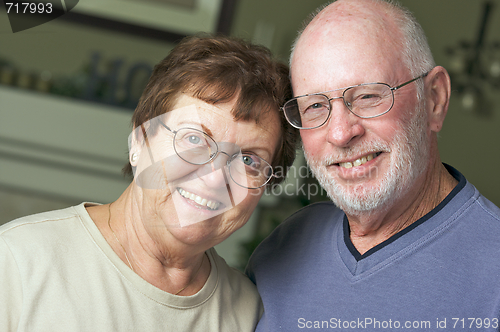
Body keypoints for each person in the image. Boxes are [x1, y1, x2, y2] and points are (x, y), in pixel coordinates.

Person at [0, 34, 298, 331]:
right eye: (194, 138)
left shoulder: (248, 313)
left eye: (248, 160)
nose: (214, 176)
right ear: (140, 139)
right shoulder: (18, 262)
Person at [246, 0, 500, 330]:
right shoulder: (282, 247)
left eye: (368, 96)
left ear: (434, 100)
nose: (339, 133)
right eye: (315, 106)